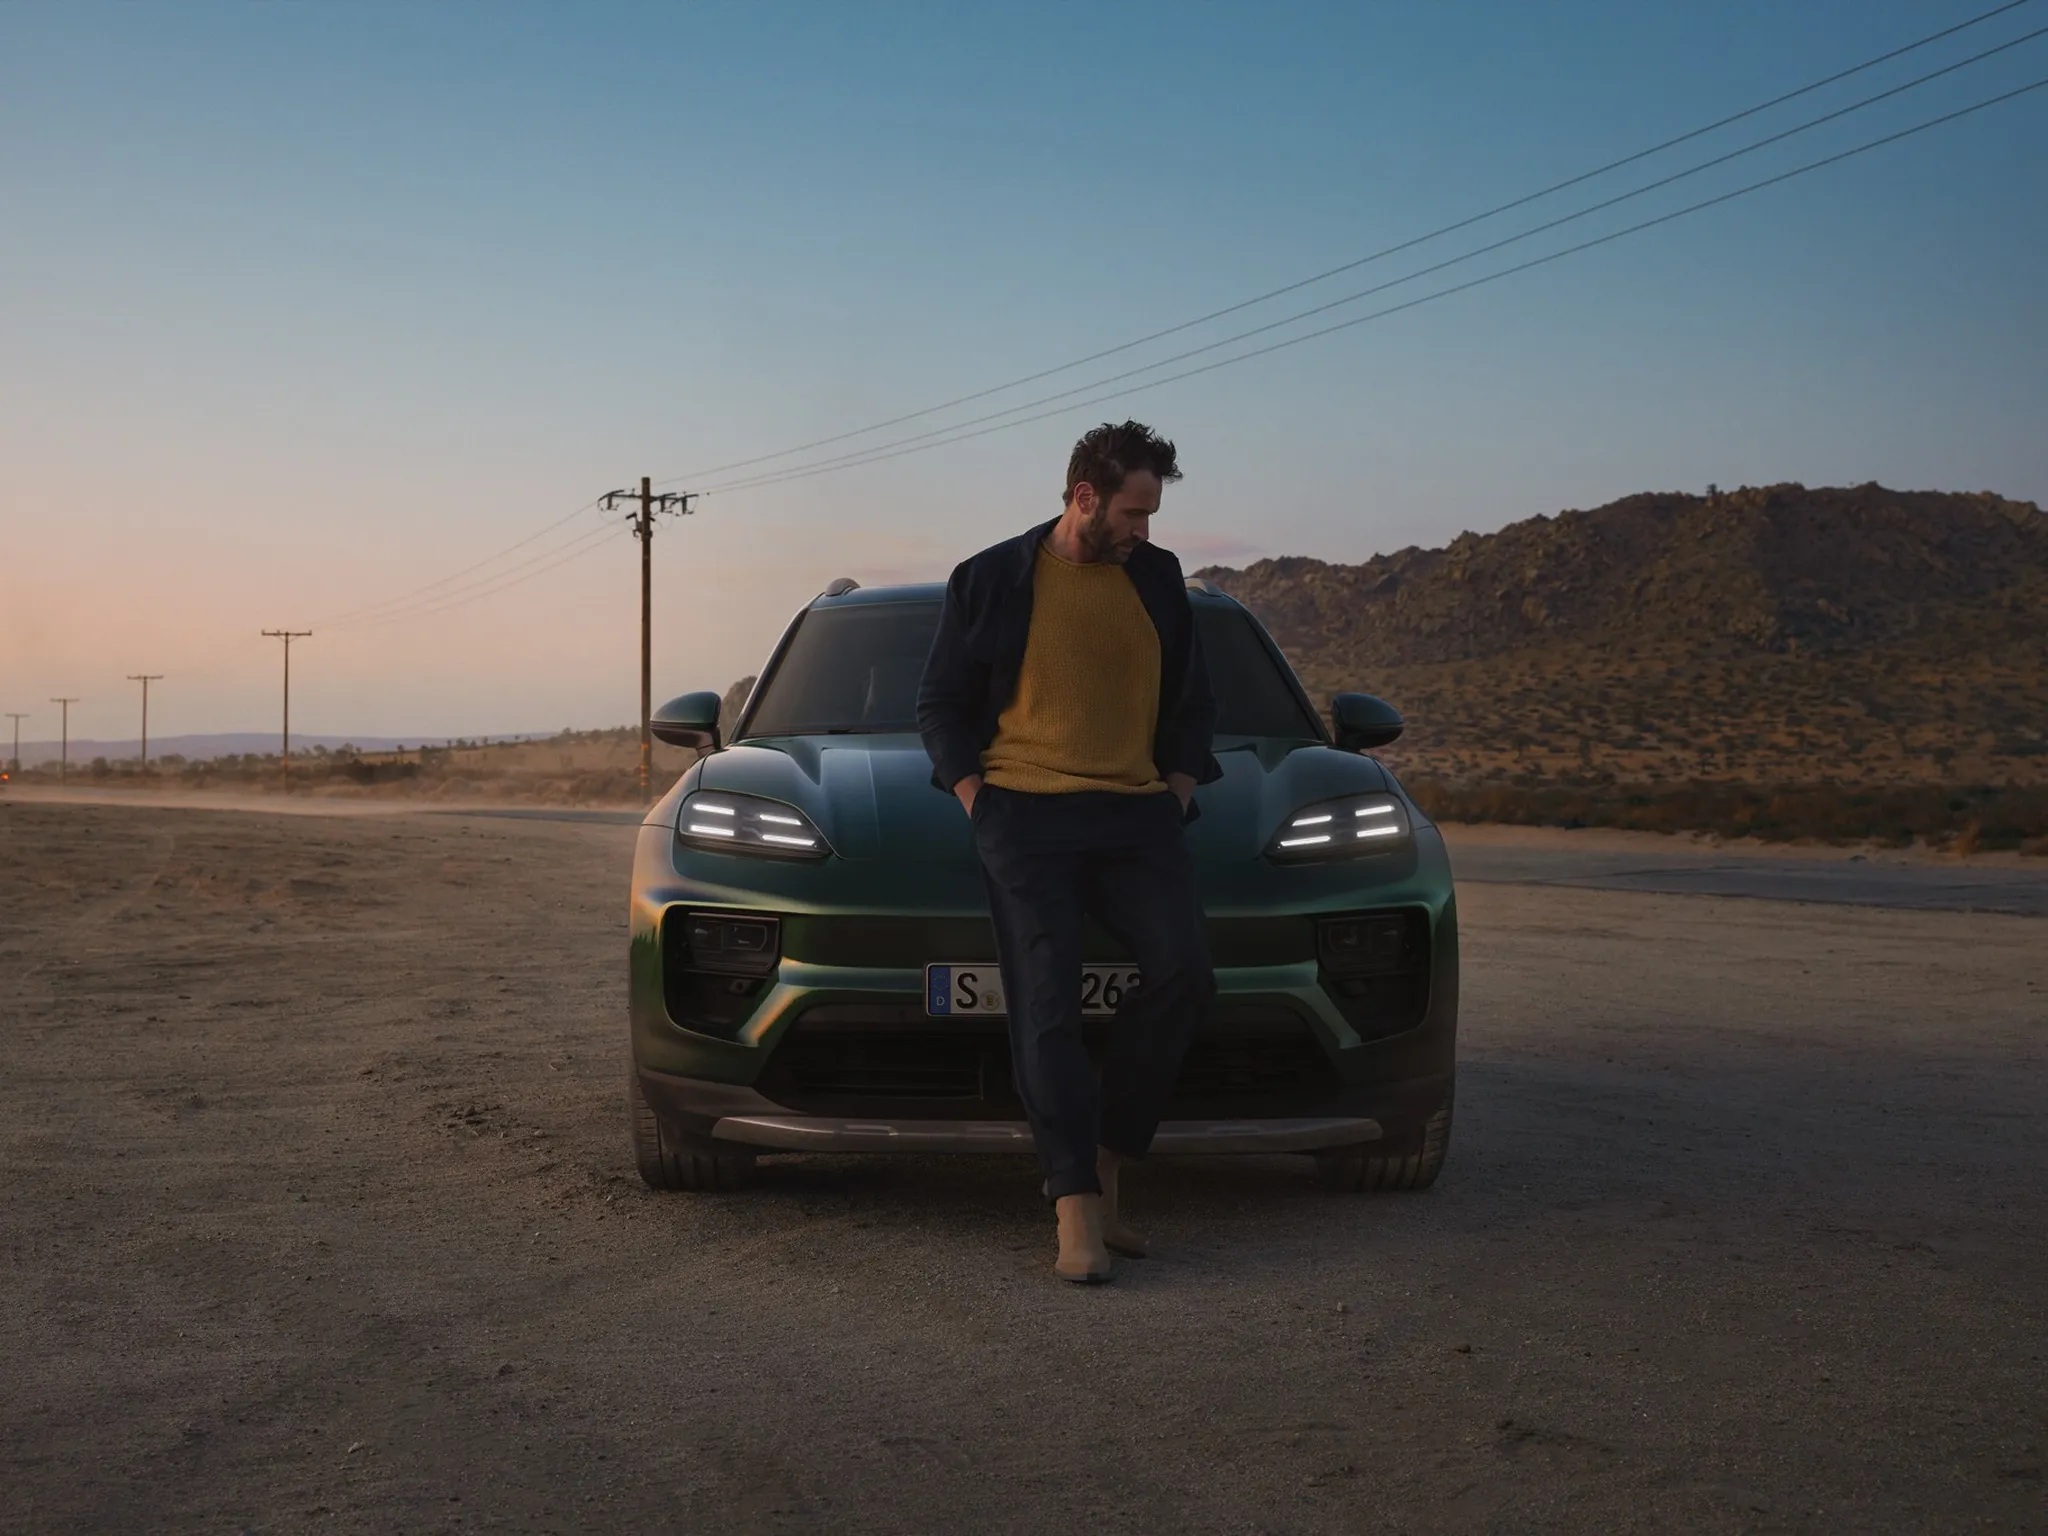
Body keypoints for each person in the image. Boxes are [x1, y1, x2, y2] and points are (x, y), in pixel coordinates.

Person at [917, 420, 1219, 1283]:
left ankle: (1111, 1168)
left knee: (1186, 973)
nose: (1143, 530)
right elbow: (938, 703)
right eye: (1132, 511)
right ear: (1084, 497)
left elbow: (1195, 701)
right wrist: (980, 803)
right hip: (1027, 816)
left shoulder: (1156, 579)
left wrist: (1179, 790)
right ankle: (1075, 1211)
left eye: (1151, 514)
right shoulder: (990, 579)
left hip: (1136, 818)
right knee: (1044, 1005)